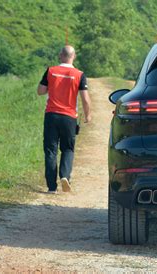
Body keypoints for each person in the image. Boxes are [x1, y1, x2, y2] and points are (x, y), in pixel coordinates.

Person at [37, 45, 91, 194]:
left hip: (51, 115)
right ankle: (65, 176)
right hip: (69, 117)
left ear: (61, 55)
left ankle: (51, 187)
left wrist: (52, 86)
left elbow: (40, 91)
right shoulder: (80, 74)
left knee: (50, 150)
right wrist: (88, 115)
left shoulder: (51, 71)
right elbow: (85, 99)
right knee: (68, 149)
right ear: (73, 57)